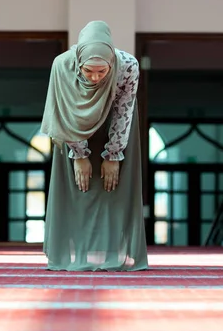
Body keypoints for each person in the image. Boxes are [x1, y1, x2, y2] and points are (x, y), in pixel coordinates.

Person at [40, 20, 148, 272]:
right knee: (77, 190)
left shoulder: (128, 66)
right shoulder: (63, 65)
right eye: (88, 71)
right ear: (78, 63)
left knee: (114, 189)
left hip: (114, 127)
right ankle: (71, 256)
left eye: (102, 71)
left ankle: (118, 256)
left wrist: (113, 155)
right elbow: (65, 112)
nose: (96, 77)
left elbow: (123, 110)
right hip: (71, 127)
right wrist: (79, 155)